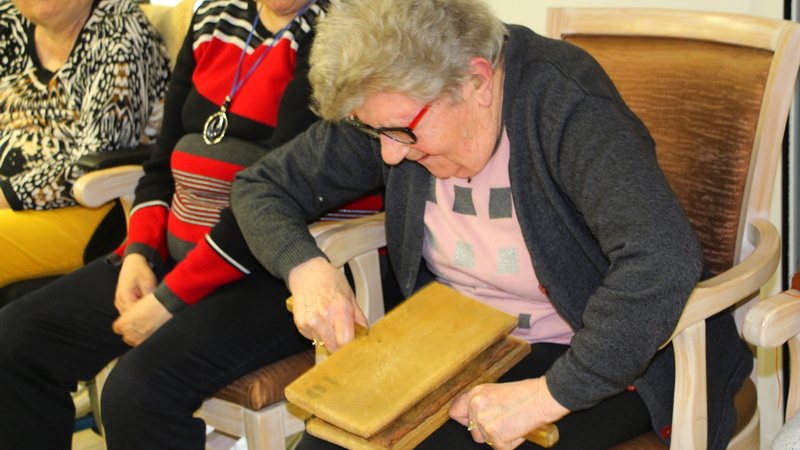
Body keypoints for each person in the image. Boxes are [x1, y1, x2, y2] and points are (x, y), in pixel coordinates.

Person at [230, 0, 753, 449]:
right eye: (374, 132)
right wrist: (306, 269)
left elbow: (662, 257)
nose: (388, 155)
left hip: (602, 356)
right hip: (457, 344)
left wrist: (547, 397)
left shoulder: (564, 102)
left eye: (400, 133)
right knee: (328, 441)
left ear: (476, 81)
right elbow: (260, 187)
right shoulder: (394, 106)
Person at [0, 1, 379, 448]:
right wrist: (139, 253)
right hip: (177, 256)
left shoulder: (341, 27)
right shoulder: (215, 17)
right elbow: (161, 164)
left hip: (274, 271)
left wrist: (169, 300)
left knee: (137, 393)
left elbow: (279, 197)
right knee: (15, 340)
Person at [0, 0, 171, 289]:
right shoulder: (7, 22)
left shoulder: (121, 34)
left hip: (90, 205)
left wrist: (5, 194)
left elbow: (97, 158)